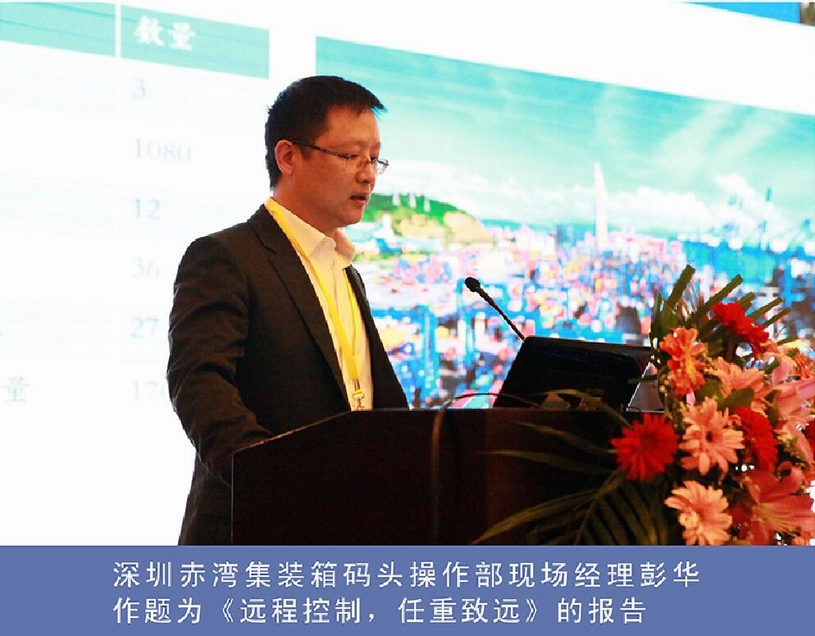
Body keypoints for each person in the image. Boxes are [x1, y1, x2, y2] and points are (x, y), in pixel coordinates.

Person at [166, 76, 409, 545]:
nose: (368, 175)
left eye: (374, 158)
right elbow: (200, 385)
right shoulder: (227, 257)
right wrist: (278, 483)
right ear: (288, 156)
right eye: (351, 156)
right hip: (256, 532)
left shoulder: (346, 271)